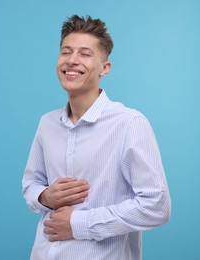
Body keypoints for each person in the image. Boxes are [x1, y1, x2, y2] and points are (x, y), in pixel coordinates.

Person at [22, 15, 171, 260]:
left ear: (105, 68)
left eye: (85, 54)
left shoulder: (129, 123)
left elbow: (156, 206)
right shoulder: (47, 124)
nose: (72, 60)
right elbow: (31, 185)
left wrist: (79, 223)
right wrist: (45, 196)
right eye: (66, 52)